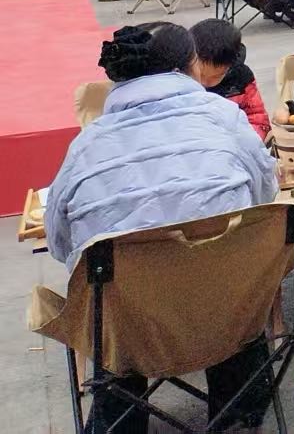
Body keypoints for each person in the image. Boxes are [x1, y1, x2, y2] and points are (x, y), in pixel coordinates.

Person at [45, 22, 278, 433]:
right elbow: (265, 197)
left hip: (130, 334)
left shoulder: (86, 145)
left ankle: (120, 422)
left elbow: (61, 244)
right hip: (226, 316)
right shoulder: (224, 117)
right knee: (230, 271)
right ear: (192, 64)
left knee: (112, 296)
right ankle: (239, 416)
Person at [189, 17, 270, 139]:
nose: (206, 82)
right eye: (201, 75)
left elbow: (257, 117)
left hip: (236, 141)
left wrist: (246, 141)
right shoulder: (181, 79)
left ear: (230, 66)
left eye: (216, 76)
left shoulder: (241, 78)